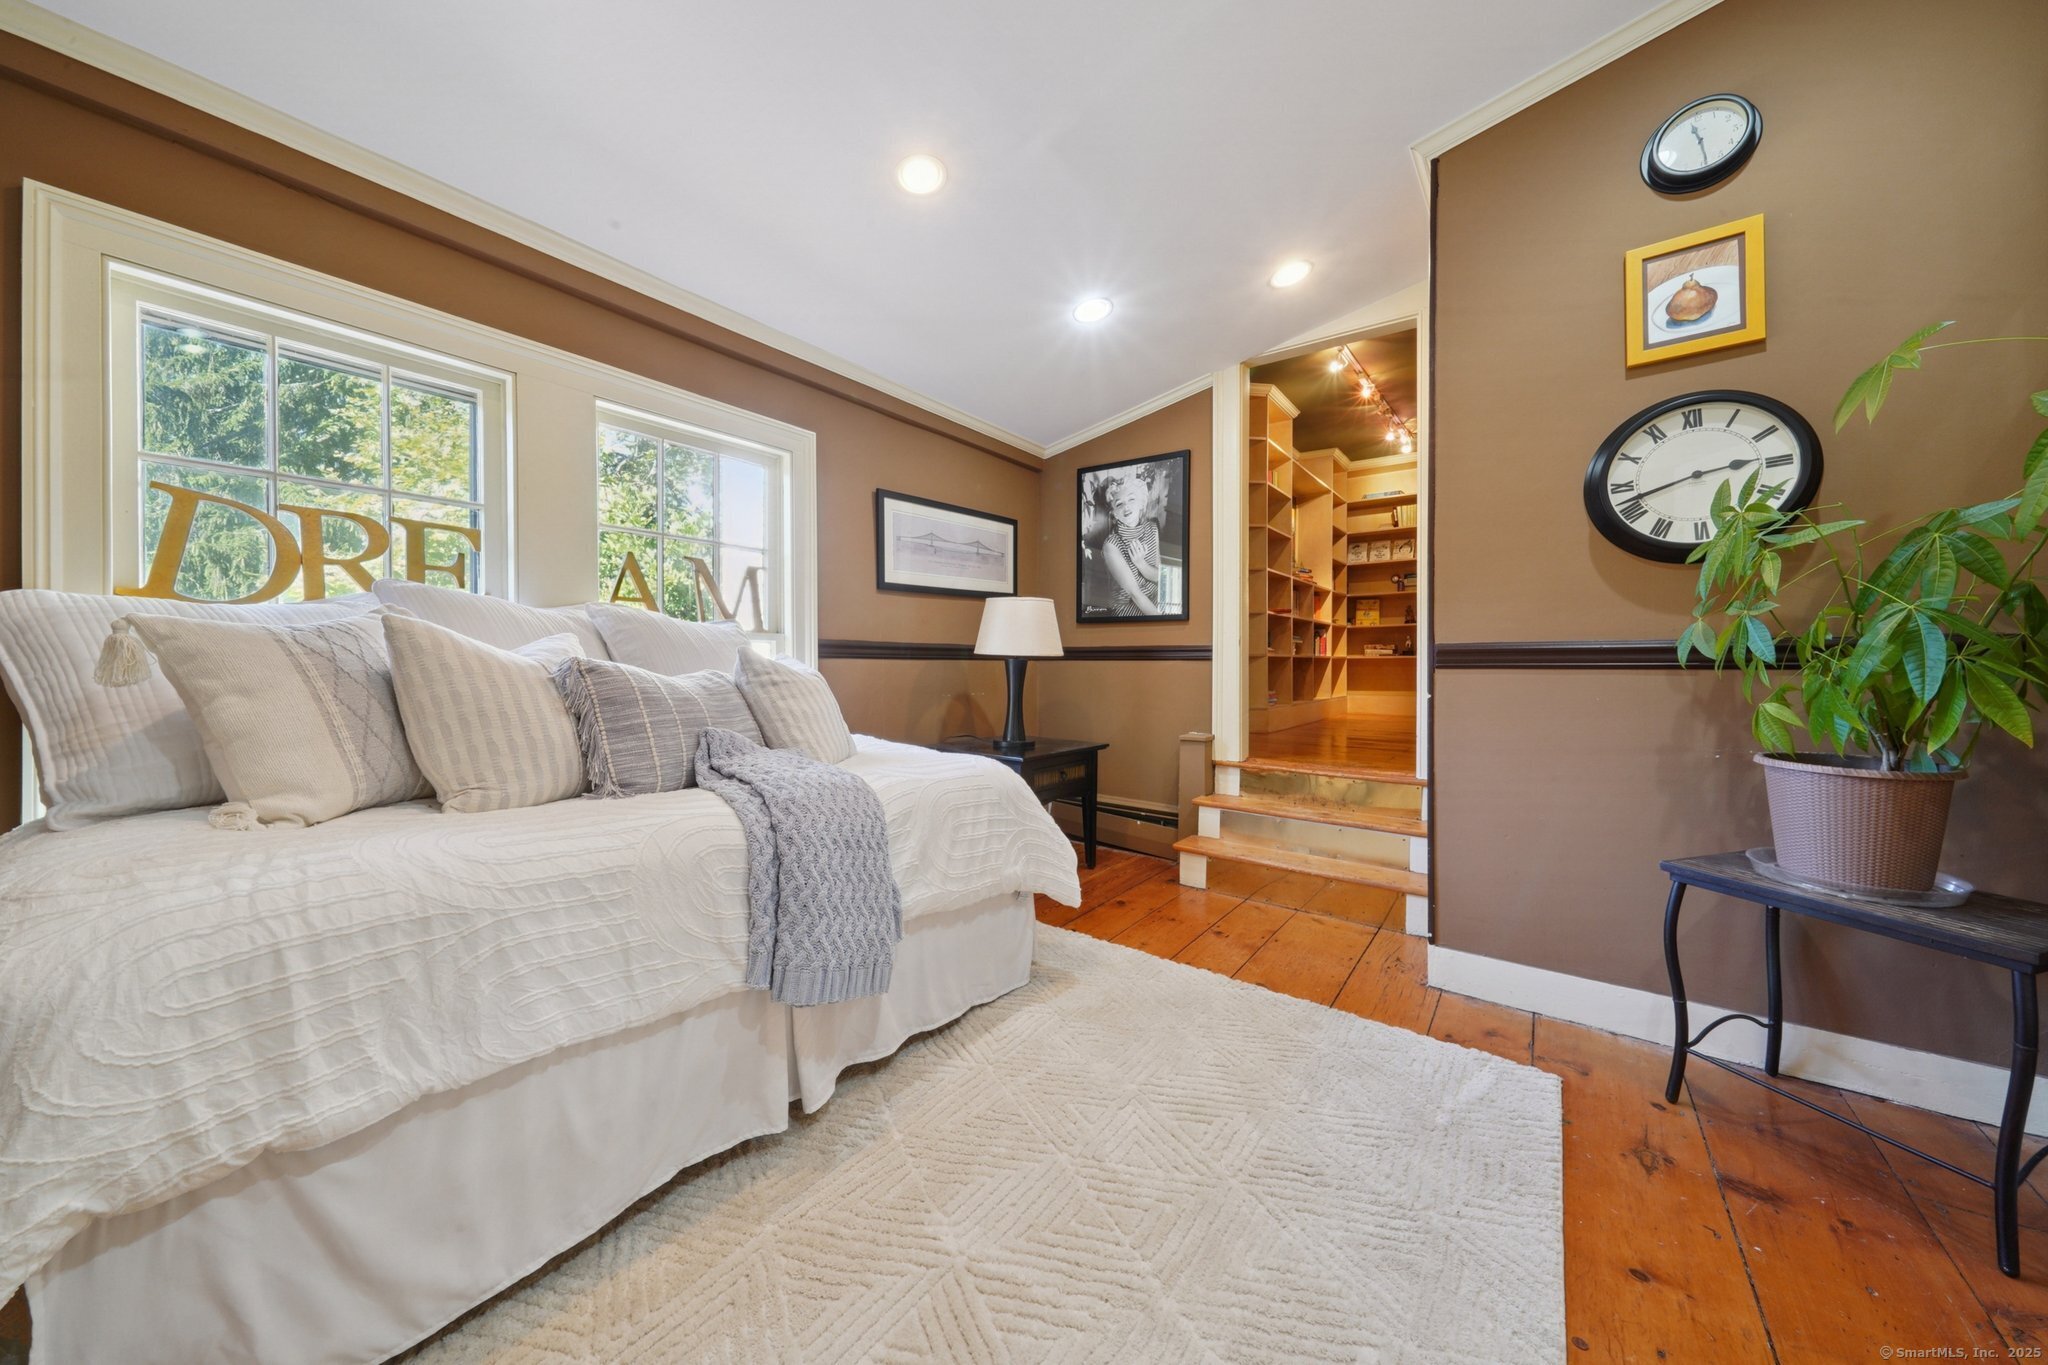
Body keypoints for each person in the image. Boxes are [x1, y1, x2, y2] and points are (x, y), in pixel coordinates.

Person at [1083, 464, 1164, 615]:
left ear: (1142, 503)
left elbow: (1159, 577)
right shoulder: (1111, 545)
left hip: (1155, 601)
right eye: (1119, 504)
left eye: (1131, 499)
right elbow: (1135, 595)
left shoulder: (1152, 529)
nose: (1126, 507)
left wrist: (1141, 564)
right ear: (1114, 513)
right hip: (1130, 609)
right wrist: (1163, 620)